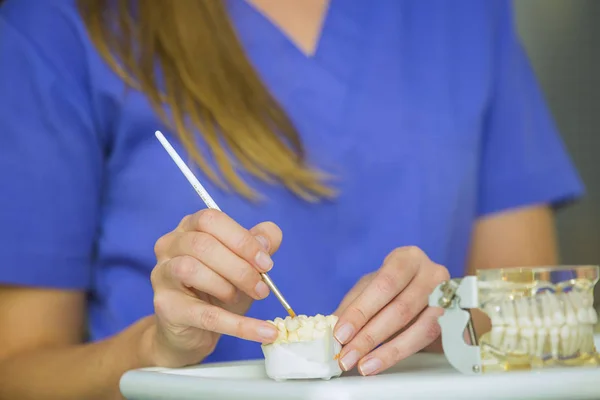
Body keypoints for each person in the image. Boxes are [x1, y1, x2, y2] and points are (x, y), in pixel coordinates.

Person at [0, 0, 583, 398]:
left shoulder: (461, 16)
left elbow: (541, 325)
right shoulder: (64, 23)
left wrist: (450, 322)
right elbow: (15, 374)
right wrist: (155, 349)